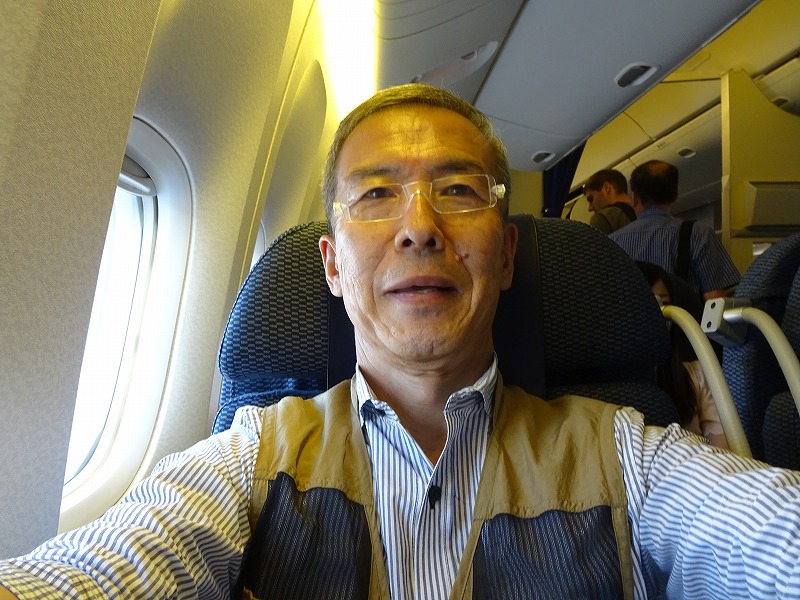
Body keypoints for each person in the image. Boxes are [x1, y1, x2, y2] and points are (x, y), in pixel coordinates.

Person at [2, 84, 800, 600]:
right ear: (332, 265)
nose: (419, 227)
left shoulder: (632, 458)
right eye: (377, 194)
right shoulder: (248, 461)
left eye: (458, 190)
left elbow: (767, 533)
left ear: (508, 255)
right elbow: (107, 563)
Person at [609, 159, 740, 301]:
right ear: (676, 194)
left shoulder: (611, 243)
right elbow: (715, 300)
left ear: (634, 197)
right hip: (683, 315)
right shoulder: (699, 235)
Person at [637, 261, 729, 449]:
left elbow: (723, 451)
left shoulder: (698, 375)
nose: (657, 315)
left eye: (664, 304)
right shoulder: (603, 386)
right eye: (647, 303)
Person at [582, 168, 637, 234]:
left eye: (591, 199)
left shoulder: (602, 218)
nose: (590, 208)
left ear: (606, 188)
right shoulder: (641, 210)